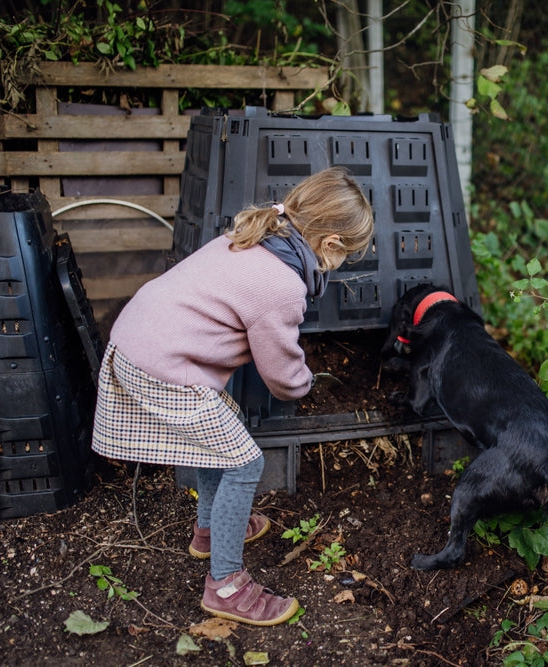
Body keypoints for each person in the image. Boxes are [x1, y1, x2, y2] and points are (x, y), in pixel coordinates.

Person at [90, 166, 374, 626]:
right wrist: (308, 384)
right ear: (331, 245)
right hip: (160, 365)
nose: (342, 266)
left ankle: (210, 529)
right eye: (348, 255)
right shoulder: (281, 284)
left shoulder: (257, 236)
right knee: (245, 460)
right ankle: (225, 585)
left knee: (221, 431)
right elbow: (282, 375)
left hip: (141, 342)